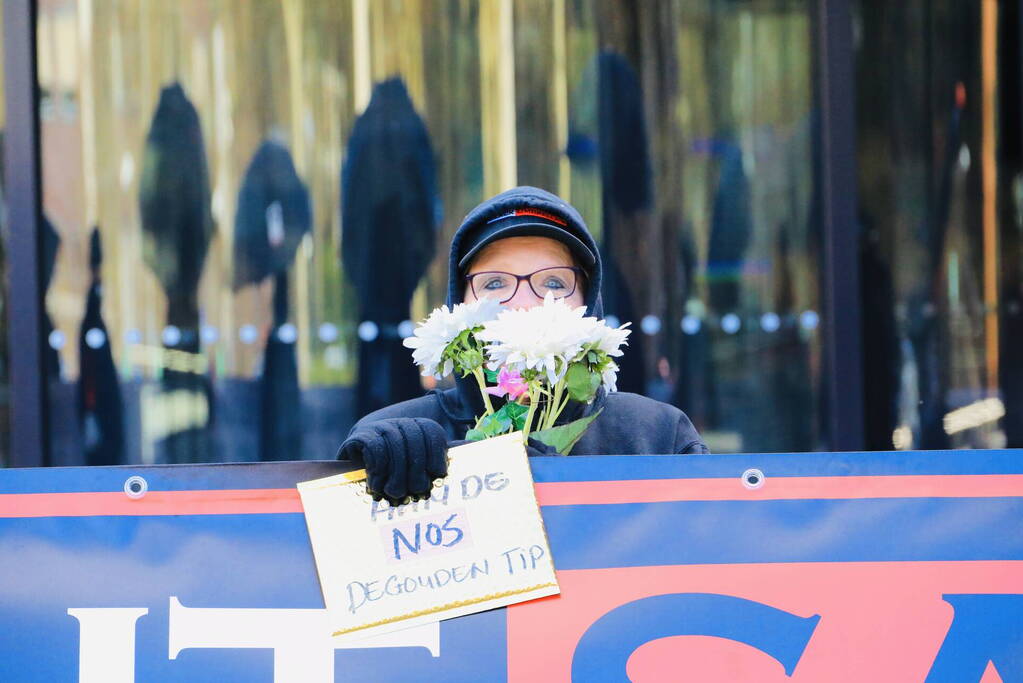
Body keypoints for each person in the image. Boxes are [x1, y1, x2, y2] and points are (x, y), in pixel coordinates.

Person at [338, 186, 709, 505]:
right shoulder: (396, 435)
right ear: (459, 303)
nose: (523, 303)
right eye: (494, 284)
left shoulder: (656, 434)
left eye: (553, 283)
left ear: (588, 302)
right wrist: (357, 482)